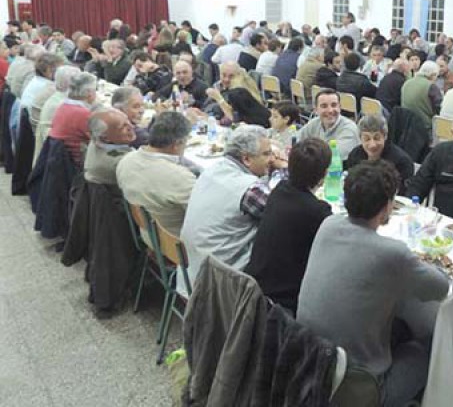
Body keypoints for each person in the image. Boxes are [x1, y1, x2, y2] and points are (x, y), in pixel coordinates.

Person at [297, 160, 449, 407]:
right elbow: (441, 288)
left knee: (398, 322)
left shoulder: (329, 225)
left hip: (310, 361)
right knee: (433, 342)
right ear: (388, 205)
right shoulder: (392, 253)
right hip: (359, 387)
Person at [181, 125, 287, 288]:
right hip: (222, 283)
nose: (272, 159)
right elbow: (285, 214)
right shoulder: (249, 189)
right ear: (246, 159)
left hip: (191, 273)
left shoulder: (213, 169)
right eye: (266, 154)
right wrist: (286, 169)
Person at [245, 138, 332, 312]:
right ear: (323, 175)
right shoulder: (317, 211)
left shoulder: (279, 190)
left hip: (253, 289)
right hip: (282, 304)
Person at [116, 112, 197, 236]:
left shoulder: (126, 160)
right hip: (176, 242)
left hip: (146, 232)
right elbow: (206, 216)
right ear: (177, 144)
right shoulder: (180, 177)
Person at [345, 114, 414, 195]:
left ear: (385, 137)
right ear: (360, 139)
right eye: (367, 139)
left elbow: (402, 195)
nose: (372, 145)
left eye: (377, 138)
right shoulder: (354, 156)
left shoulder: (401, 162)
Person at [48, 72, 98, 167]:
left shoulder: (62, 106)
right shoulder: (83, 114)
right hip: (75, 162)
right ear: (89, 93)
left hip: (60, 159)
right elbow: (98, 139)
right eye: (95, 90)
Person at [297, 88, 360, 159]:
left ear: (340, 107)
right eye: (324, 106)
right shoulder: (315, 122)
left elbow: (331, 156)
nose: (330, 110)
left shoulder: (349, 129)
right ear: (316, 110)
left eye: (334, 105)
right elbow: (296, 140)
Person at [83, 108, 137, 186]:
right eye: (123, 127)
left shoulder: (96, 139)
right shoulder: (121, 161)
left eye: (128, 121)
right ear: (105, 138)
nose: (132, 126)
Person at [19, 53, 63, 130]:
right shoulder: (48, 87)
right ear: (49, 71)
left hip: (27, 125)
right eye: (60, 70)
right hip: (34, 128)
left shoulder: (36, 80)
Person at [400, 60, 442, 129]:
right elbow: (439, 108)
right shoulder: (431, 86)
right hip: (425, 126)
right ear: (433, 75)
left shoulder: (406, 83)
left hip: (406, 125)